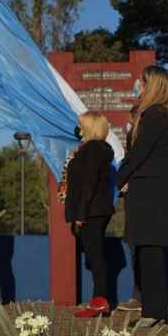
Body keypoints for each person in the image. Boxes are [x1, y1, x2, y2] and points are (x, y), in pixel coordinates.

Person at [116, 66, 168, 327]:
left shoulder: (155, 114)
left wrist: (118, 179)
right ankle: (151, 311)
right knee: (143, 251)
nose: (137, 84)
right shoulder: (152, 114)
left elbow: (140, 152)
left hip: (150, 192)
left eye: (141, 81)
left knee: (150, 252)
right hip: (143, 189)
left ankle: (155, 312)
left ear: (151, 85)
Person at [61, 111, 114, 318]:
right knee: (95, 255)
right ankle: (97, 299)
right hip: (95, 208)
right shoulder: (95, 148)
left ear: (89, 127)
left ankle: (100, 300)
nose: (78, 128)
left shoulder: (92, 149)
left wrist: (81, 213)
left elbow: (89, 182)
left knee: (95, 255)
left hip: (93, 210)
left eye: (81, 125)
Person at [117, 104, 142, 312]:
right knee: (134, 248)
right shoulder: (132, 139)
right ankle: (138, 295)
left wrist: (128, 180)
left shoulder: (141, 139)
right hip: (132, 201)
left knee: (140, 249)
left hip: (140, 199)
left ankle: (140, 296)